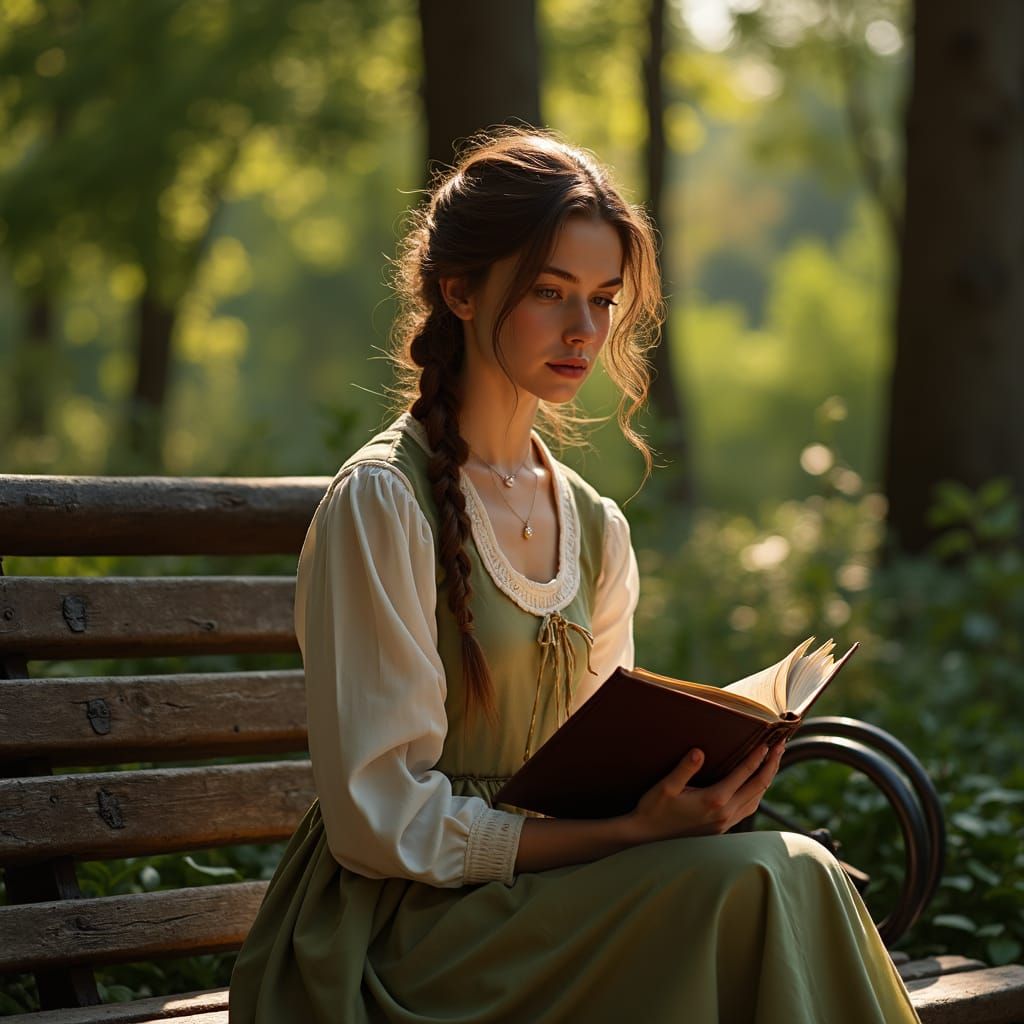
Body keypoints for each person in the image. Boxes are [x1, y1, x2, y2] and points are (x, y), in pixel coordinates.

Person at [229, 128, 921, 1023]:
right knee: (756, 883)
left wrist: (674, 799)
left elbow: (597, 772)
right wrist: (626, 834)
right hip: (403, 935)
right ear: (461, 291)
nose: (584, 331)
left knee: (796, 866)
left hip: (558, 899)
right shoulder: (384, 503)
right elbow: (379, 821)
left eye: (602, 300)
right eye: (550, 294)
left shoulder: (595, 525)